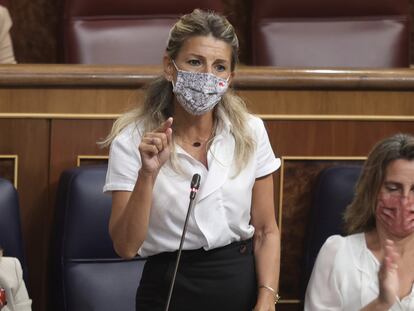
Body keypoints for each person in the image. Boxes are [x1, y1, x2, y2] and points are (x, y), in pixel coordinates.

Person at [102, 8, 281, 311]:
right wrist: (148, 174)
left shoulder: (251, 132)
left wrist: (267, 298)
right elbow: (125, 246)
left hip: (240, 284)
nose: (207, 76)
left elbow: (266, 230)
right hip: (171, 287)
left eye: (219, 66)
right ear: (170, 67)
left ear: (230, 78)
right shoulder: (132, 141)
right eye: (195, 62)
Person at [305, 133, 414, 310]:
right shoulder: (337, 254)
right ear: (371, 192)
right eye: (393, 188)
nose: (405, 201)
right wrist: (381, 303)